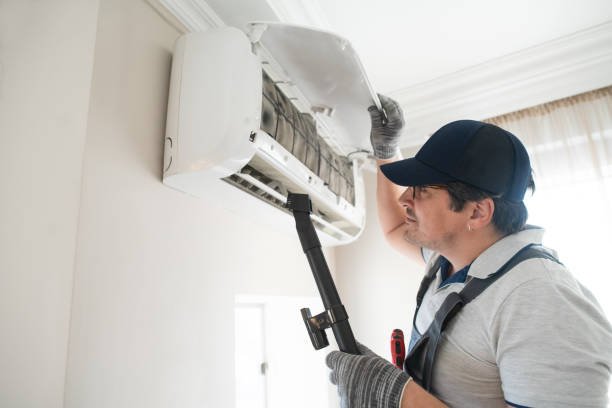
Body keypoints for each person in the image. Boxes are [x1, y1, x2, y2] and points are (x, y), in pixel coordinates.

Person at [325, 95, 612, 407]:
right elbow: (397, 230)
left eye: (422, 190)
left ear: (477, 213)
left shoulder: (541, 300)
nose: (405, 198)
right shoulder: (449, 260)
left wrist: (398, 395)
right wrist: (386, 153)